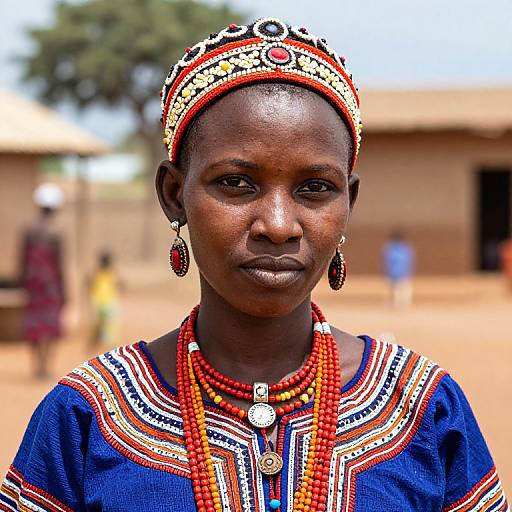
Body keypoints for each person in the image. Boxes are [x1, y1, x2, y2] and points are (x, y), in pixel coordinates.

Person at [1, 19, 508, 512]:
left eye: (315, 188)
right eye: (236, 184)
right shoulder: (87, 418)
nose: (279, 224)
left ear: (348, 203)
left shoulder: (423, 410)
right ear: (175, 196)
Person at [18, 183, 66, 379]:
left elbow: (23, 259)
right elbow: (60, 264)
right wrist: (64, 289)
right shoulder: (57, 232)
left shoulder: (29, 229)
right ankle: (46, 365)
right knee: (50, 325)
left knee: (34, 325)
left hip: (33, 283)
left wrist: (22, 282)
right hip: (50, 285)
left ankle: (37, 365)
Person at [88, 250, 121, 350]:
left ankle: (99, 345)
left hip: (102, 302)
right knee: (104, 326)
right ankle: (98, 345)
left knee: (104, 326)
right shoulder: (103, 273)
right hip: (104, 302)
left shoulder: (99, 273)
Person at [382, 230, 415, 308]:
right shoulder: (404, 248)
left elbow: (386, 261)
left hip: (398, 272)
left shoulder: (390, 248)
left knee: (400, 289)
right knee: (398, 289)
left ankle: (400, 304)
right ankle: (399, 304)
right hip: (398, 272)